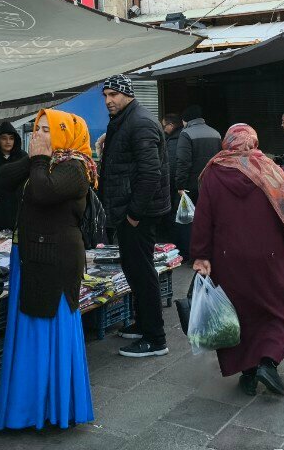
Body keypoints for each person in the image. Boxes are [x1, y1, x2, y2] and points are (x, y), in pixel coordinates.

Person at [0, 110, 94, 431]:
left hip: (56, 261)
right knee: (28, 329)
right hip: (30, 257)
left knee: (50, 327)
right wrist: (35, 157)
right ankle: (27, 408)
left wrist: (38, 159)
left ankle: (55, 409)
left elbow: (43, 191)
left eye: (48, 130)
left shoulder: (75, 168)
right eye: (38, 129)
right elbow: (2, 179)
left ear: (67, 133)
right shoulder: (44, 160)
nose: (40, 135)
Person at [190, 124, 284, 396]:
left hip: (229, 259)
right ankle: (268, 361)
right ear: (253, 141)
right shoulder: (271, 169)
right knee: (277, 310)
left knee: (240, 312)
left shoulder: (213, 172)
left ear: (227, 143)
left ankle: (249, 372)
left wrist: (201, 255)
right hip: (272, 256)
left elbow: (203, 219)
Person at [98, 74, 171, 358]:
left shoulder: (139, 122)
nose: (108, 101)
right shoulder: (127, 120)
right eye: (105, 95)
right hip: (129, 211)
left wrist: (134, 214)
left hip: (138, 213)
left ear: (126, 94)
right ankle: (143, 325)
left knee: (142, 272)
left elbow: (150, 173)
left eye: (113, 94)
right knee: (134, 270)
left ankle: (155, 338)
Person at [174, 105, 222, 258]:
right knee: (210, 219)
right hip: (212, 184)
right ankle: (210, 251)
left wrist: (180, 185)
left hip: (191, 186)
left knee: (189, 221)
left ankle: (193, 254)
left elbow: (183, 162)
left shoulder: (186, 134)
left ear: (186, 120)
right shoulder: (216, 133)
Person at [161, 113, 184, 243]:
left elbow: (172, 165)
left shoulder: (176, 140)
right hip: (178, 183)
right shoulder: (176, 137)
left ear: (171, 125)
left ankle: (174, 242)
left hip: (174, 184)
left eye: (164, 126)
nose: (163, 129)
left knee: (174, 214)